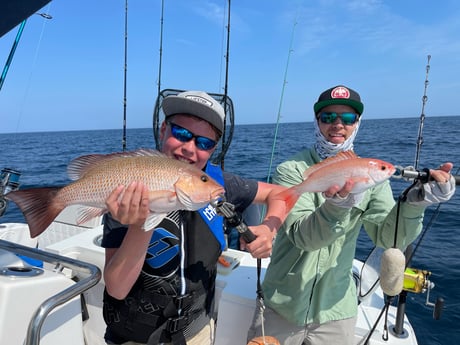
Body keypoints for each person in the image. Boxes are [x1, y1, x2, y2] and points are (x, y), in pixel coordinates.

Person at [247, 85, 456, 345]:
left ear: (357, 123)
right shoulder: (292, 170)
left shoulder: (374, 180)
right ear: (317, 122)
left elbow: (387, 238)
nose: (338, 125)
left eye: (347, 119)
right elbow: (304, 239)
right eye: (328, 117)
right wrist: (339, 205)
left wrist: (416, 201)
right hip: (282, 303)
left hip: (336, 310)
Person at [101, 90, 289, 345]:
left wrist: (270, 227)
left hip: (196, 333)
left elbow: (281, 194)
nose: (189, 149)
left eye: (204, 143)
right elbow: (117, 288)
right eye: (181, 134)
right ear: (163, 129)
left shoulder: (220, 185)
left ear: (213, 149)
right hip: (133, 338)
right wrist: (141, 222)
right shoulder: (132, 187)